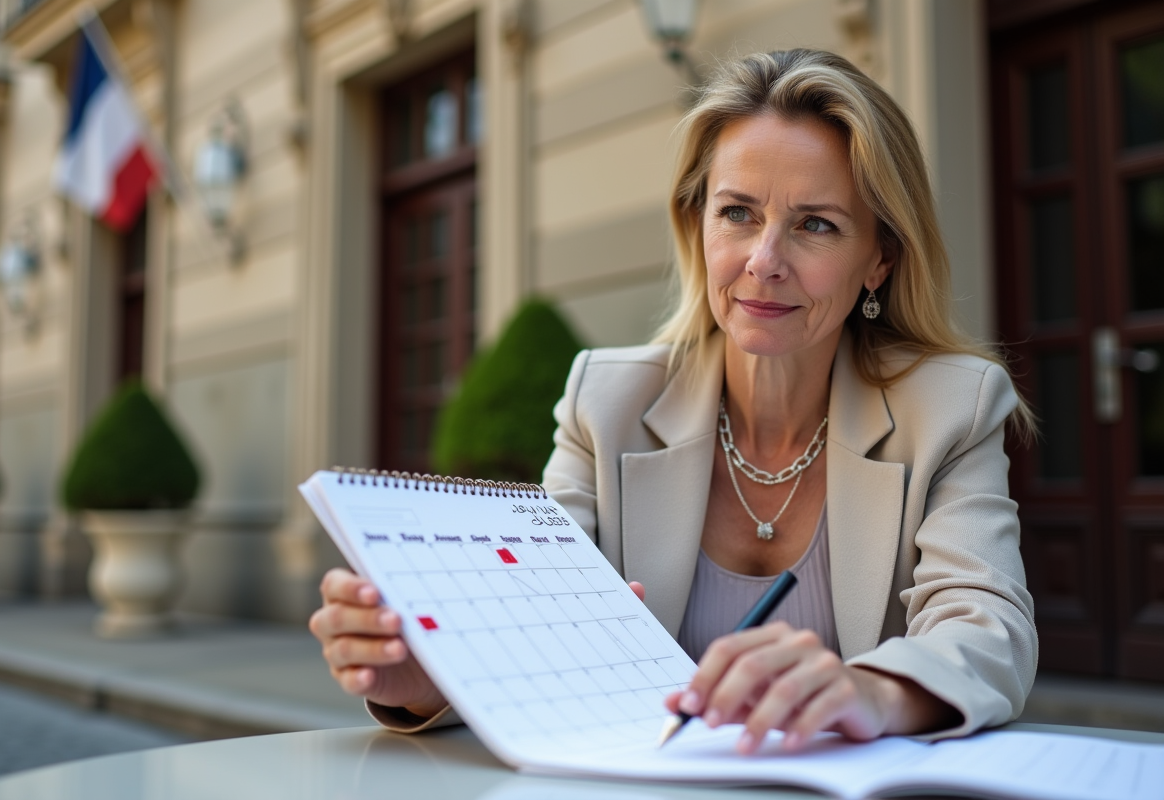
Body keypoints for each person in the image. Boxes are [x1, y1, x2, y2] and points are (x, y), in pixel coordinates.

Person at [309, 48, 1038, 752]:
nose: (764, 260)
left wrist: (874, 693)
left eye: (816, 224)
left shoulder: (951, 408)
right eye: (738, 213)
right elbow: (531, 622)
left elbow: (987, 626)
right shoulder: (608, 400)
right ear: (698, 225)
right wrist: (423, 675)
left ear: (878, 258)